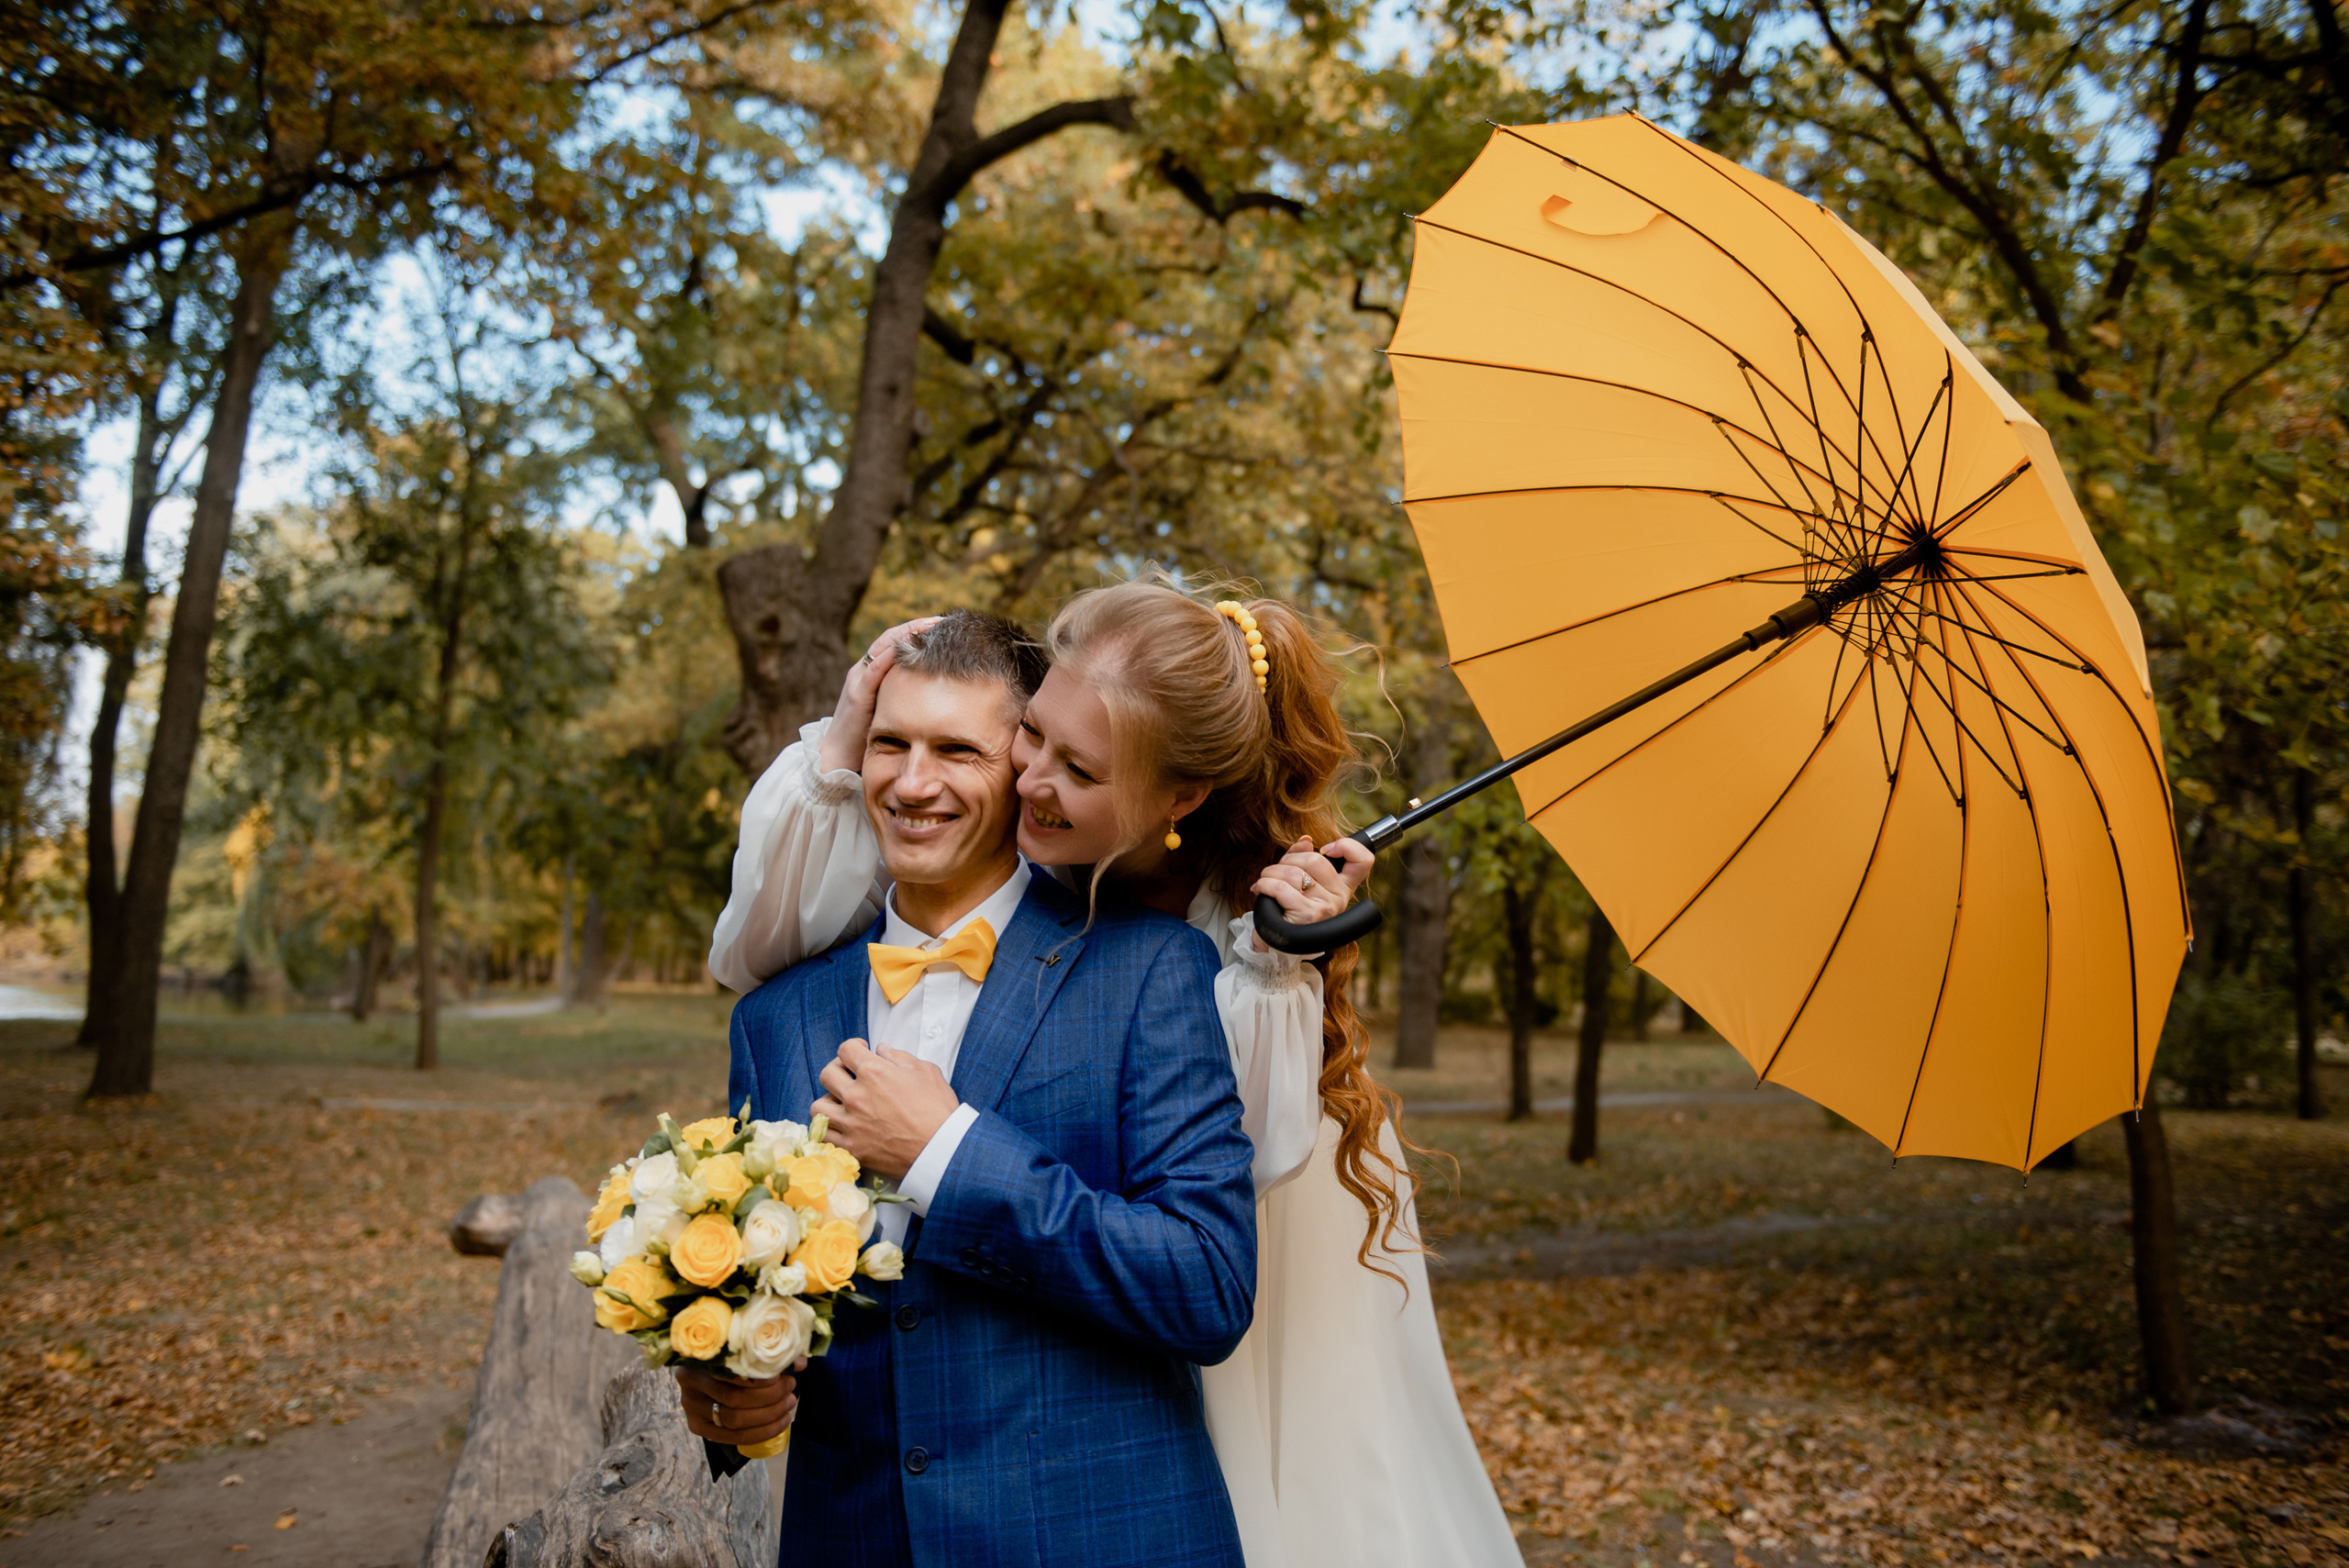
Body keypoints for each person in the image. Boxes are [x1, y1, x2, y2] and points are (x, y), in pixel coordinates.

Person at [708, 584, 1521, 1568]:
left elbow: (1224, 1232)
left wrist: (1276, 962)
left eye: (1071, 767)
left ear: (1178, 799)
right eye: (1033, 739)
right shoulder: (791, 1005)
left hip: (1177, 1365)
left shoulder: (1192, 962)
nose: (1031, 776)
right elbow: (761, 956)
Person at [683, 608, 1259, 1568]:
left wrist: (947, 1154)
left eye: (957, 748)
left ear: (1022, 768)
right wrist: (725, 1382)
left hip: (1106, 1537)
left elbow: (1205, 1286)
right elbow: (761, 1303)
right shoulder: (773, 1019)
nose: (912, 782)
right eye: (889, 743)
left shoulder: (1151, 969)